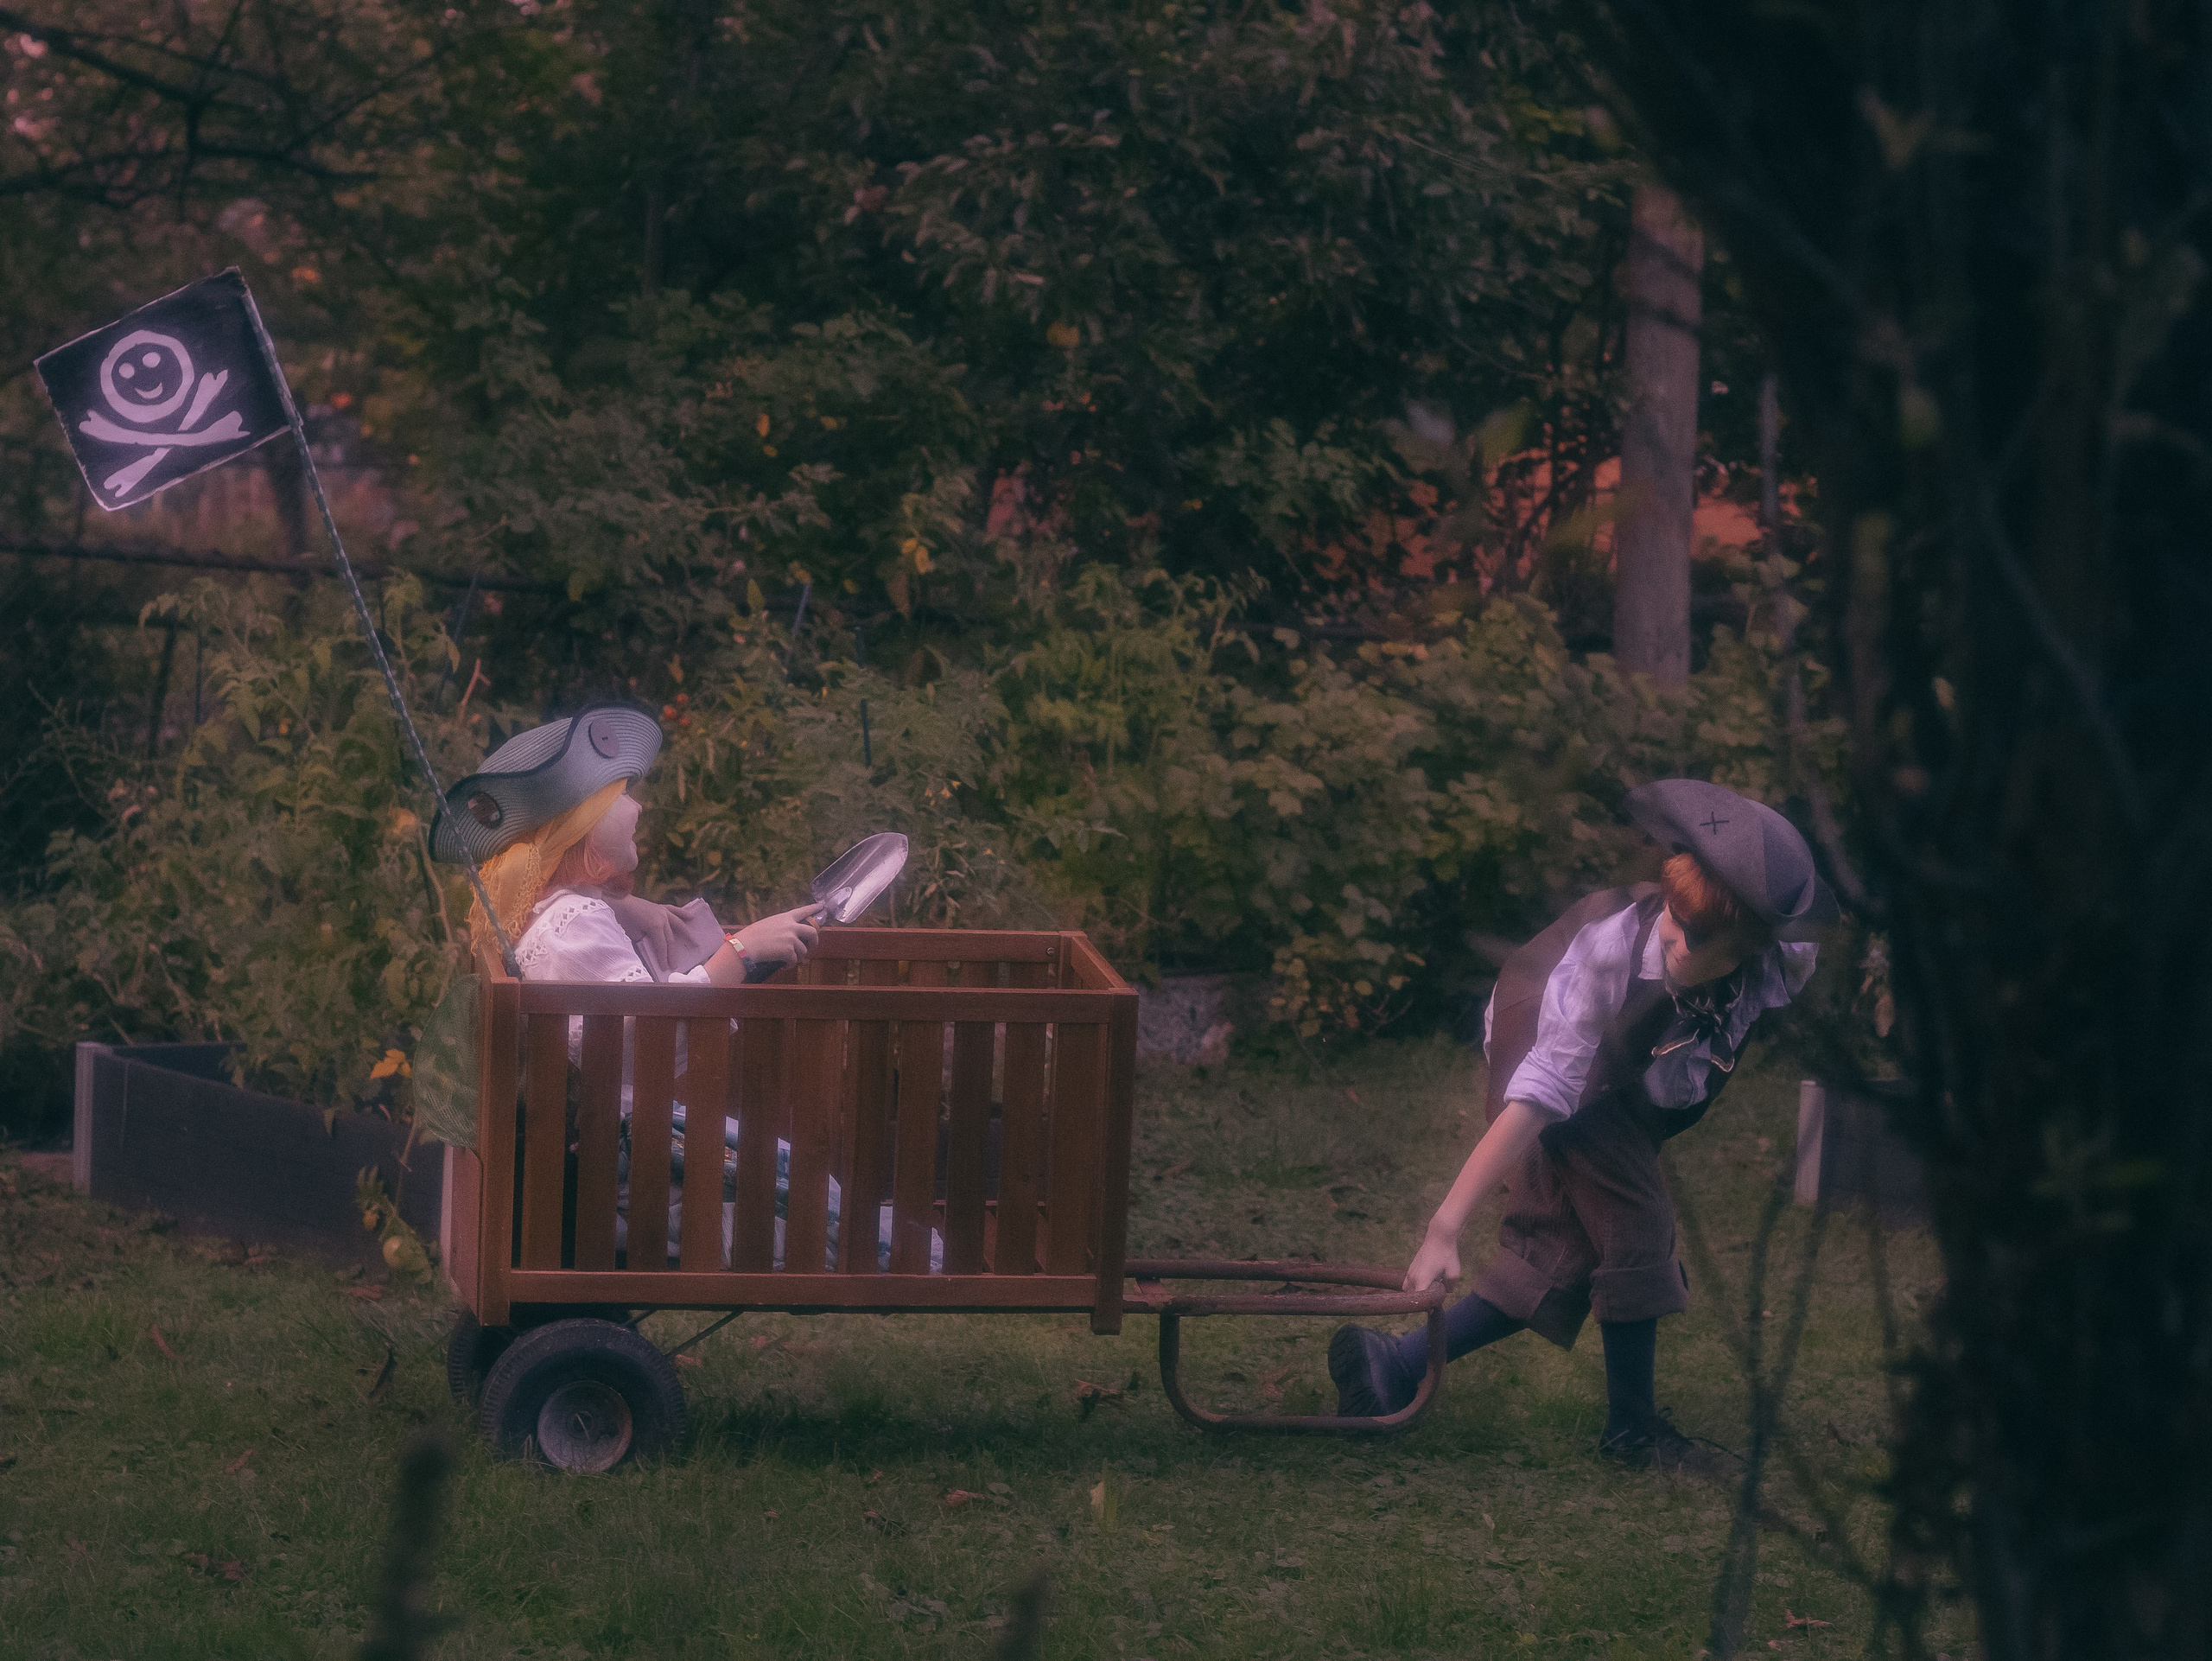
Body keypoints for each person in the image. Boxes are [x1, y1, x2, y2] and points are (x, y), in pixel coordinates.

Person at [1327, 780, 1835, 1478]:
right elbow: (1541, 1094)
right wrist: (1445, 1225)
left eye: (1708, 937)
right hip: (1547, 1046)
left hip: (1622, 1086)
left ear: (1752, 945)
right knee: (1636, 1218)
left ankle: (1392, 1363)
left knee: (1556, 1257)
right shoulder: (1608, 956)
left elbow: (1790, 950)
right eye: (1676, 918)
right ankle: (1633, 1432)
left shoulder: (1775, 964)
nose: (1681, 942)